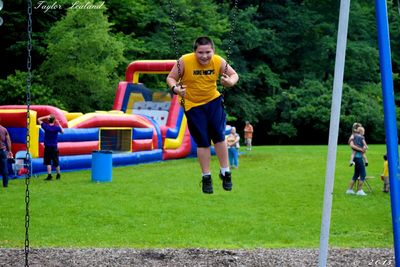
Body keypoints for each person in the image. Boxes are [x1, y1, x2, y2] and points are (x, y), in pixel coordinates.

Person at [166, 36, 239, 194]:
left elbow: (234, 75)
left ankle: (225, 171)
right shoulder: (184, 61)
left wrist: (230, 82)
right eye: (200, 52)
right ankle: (206, 176)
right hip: (192, 105)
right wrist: (176, 89)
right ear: (195, 52)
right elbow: (171, 78)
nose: (204, 56)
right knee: (203, 141)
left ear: (213, 51)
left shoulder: (218, 61)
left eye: (208, 52)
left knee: (219, 136)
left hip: (213, 100)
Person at [38, 114, 64, 181]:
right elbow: (63, 132)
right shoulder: (56, 127)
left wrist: (45, 117)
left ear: (48, 120)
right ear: (54, 120)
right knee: (56, 161)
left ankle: (49, 175)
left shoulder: (46, 127)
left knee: (48, 161)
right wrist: (58, 123)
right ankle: (58, 174)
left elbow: (39, 119)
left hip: (47, 147)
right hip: (54, 146)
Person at [346, 123, 368, 196]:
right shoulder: (354, 136)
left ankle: (349, 190)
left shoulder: (355, 136)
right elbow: (352, 145)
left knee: (356, 174)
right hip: (358, 158)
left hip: (356, 157)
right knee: (363, 174)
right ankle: (359, 191)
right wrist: (362, 149)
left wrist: (363, 149)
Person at [0, 120, 13, 187]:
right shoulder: (4, 129)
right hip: (3, 151)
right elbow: (8, 141)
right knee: (5, 168)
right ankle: (5, 184)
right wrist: (9, 151)